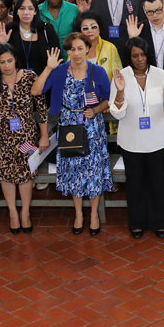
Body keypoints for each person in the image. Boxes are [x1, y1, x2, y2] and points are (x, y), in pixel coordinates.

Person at [32, 36, 112, 235]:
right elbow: (36, 90)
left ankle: (93, 214)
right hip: (68, 127)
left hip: (92, 127)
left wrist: (95, 110)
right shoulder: (60, 71)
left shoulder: (98, 72)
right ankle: (78, 214)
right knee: (73, 171)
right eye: (72, 49)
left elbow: (108, 100)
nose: (76, 53)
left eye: (80, 48)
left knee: (93, 171)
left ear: (87, 49)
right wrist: (49, 68)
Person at [0, 43, 49, 234]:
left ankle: (25, 213)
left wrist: (43, 135)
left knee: (26, 174)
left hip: (26, 136)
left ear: (16, 59)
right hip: (1, 137)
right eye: (2, 62)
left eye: (9, 60)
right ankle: (12, 213)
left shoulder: (29, 77)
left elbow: (41, 109)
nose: (7, 65)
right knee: (6, 175)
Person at [109, 37, 164, 238]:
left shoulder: (160, 75)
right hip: (131, 142)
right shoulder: (121, 77)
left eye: (143, 54)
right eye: (135, 55)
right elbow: (117, 113)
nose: (139, 59)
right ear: (129, 57)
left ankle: (159, 222)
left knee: (157, 184)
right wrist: (120, 92)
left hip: (157, 140)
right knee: (135, 185)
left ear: (148, 55)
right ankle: (137, 222)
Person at [0, 0, 61, 74]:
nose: (26, 12)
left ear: (35, 11)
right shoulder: (8, 30)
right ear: (17, 11)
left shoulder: (46, 29)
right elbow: (0, 62)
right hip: (17, 82)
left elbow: (58, 59)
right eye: (22, 8)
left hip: (44, 81)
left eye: (30, 8)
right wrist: (3, 44)